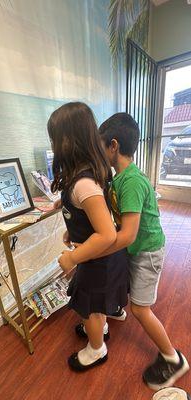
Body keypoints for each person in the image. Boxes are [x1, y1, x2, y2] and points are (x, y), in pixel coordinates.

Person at [96, 112, 189, 390]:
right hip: (137, 249)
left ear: (113, 146)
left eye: (101, 146)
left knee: (141, 308)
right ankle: (116, 309)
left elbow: (128, 234)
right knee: (122, 283)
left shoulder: (132, 182)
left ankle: (172, 358)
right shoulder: (119, 179)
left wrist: (95, 248)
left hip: (148, 251)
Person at [47, 102, 129, 372]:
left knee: (90, 306)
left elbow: (105, 234)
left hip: (98, 258)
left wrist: (72, 258)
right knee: (97, 303)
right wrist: (73, 229)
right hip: (98, 257)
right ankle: (100, 328)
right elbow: (92, 216)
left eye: (55, 140)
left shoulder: (83, 183)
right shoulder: (87, 175)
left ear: (68, 141)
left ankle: (97, 349)